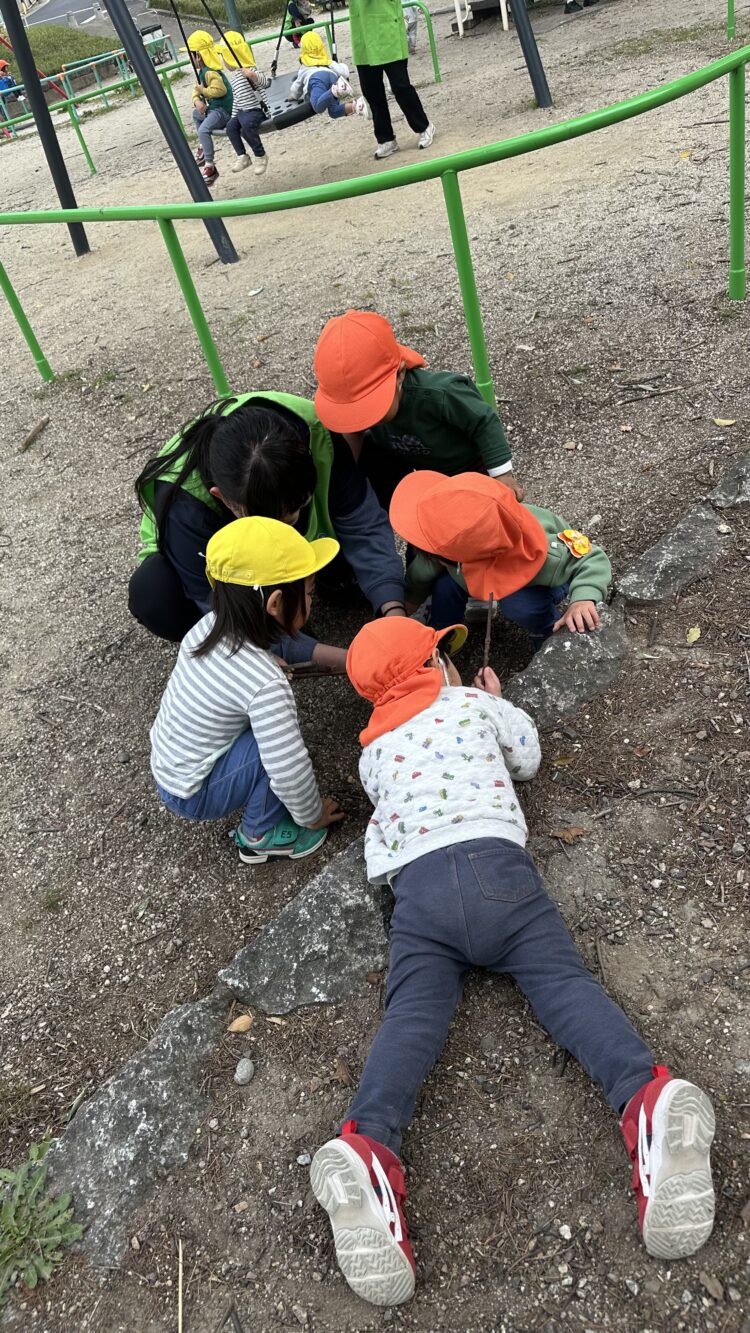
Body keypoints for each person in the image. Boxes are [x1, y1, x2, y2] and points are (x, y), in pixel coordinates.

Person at [310, 616, 716, 1306]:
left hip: (420, 897)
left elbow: (390, 797)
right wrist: (496, 700)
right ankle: (644, 1097)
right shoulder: (472, 702)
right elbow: (525, 755)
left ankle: (368, 1143)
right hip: (497, 871)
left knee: (411, 1016)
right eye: (444, 655)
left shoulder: (372, 751)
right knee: (561, 983)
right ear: (436, 666)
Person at [129, 393, 407, 658]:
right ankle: (238, 649)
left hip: (307, 542)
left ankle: (333, 579)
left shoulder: (315, 434)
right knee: (155, 593)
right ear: (223, 498)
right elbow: (227, 608)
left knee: (381, 464)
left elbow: (363, 525)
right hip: (221, 573)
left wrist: (393, 607)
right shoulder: (186, 508)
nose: (293, 525)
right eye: (279, 522)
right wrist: (341, 659)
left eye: (299, 509)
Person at [151, 516, 345, 865]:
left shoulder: (207, 627)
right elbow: (289, 769)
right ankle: (259, 834)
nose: (311, 599)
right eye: (309, 592)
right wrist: (312, 815)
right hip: (193, 792)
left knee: (270, 741)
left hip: (170, 767)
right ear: (275, 604)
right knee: (274, 751)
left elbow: (243, 669)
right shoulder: (265, 684)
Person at [313, 310, 521, 509]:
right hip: (421, 471)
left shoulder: (439, 394)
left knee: (483, 512)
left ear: (400, 374)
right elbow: (354, 433)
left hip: (468, 467)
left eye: (370, 407)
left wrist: (502, 476)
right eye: (354, 412)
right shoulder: (371, 411)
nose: (365, 419)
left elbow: (483, 421)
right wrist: (347, 475)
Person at [389, 469, 611, 648]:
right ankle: (442, 635)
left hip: (538, 577)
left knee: (519, 605)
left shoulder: (539, 550)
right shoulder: (449, 546)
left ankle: (546, 632)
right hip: (473, 569)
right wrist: (402, 610)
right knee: (445, 587)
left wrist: (583, 599)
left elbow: (591, 557)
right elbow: (421, 573)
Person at [347, 0, 434, 158]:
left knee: (400, 87)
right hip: (363, 37)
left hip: (387, 31)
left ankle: (424, 127)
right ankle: (386, 139)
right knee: (371, 92)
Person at [185, 30, 234, 185]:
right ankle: (202, 145)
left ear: (198, 56)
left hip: (223, 111)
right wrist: (197, 101)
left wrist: (204, 91)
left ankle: (210, 165)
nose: (189, 59)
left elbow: (220, 90)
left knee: (203, 130)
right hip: (214, 109)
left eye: (190, 55)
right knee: (196, 114)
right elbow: (196, 90)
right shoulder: (202, 72)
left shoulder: (211, 72)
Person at [287, 31, 369, 122]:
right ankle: (358, 106)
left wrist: (294, 95)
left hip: (317, 79)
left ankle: (337, 90)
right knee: (333, 112)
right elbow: (344, 72)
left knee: (317, 107)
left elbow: (298, 84)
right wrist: (342, 66)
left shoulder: (304, 66)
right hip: (332, 77)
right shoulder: (328, 61)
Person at [218, 38, 271, 176]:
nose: (224, 64)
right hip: (243, 112)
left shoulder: (251, 70)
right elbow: (237, 100)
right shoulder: (235, 78)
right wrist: (233, 117)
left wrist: (253, 75)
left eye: (225, 60)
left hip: (257, 110)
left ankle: (261, 155)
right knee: (231, 127)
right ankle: (243, 156)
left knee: (246, 124)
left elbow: (266, 83)